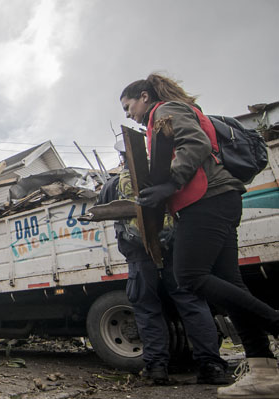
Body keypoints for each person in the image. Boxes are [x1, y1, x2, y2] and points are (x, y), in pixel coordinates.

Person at [120, 73, 279, 398]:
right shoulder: (167, 113)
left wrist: (171, 182)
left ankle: (274, 322)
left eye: (129, 105)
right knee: (231, 286)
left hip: (205, 201)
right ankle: (264, 371)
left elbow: (196, 144)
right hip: (218, 201)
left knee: (190, 276)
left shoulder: (166, 111)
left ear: (145, 97)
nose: (128, 114)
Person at [97, 144, 227, 385]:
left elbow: (102, 210)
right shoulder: (166, 177)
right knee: (191, 302)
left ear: (122, 159)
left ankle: (157, 369)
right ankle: (211, 366)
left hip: (138, 254)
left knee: (146, 308)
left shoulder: (113, 184)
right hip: (175, 250)